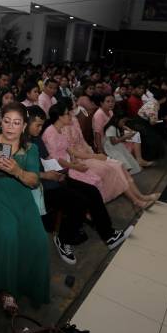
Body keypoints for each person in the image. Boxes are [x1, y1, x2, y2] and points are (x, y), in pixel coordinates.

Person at [26, 106, 133, 262]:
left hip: (54, 177)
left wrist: (58, 169)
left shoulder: (36, 138)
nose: (40, 129)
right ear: (26, 123)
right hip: (40, 186)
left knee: (92, 191)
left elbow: (47, 158)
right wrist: (46, 175)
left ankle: (109, 235)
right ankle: (63, 239)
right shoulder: (21, 143)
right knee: (79, 202)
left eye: (42, 125)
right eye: (38, 125)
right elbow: (21, 173)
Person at [0, 102, 49, 313]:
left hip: (20, 194)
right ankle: (7, 290)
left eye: (16, 123)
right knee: (8, 233)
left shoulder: (30, 148)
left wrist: (17, 171)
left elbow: (33, 181)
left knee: (38, 237)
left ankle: (29, 284)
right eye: (7, 121)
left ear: (24, 126)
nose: (10, 127)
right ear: (1, 122)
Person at [43, 101, 157, 209]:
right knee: (114, 168)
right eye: (68, 113)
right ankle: (137, 201)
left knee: (118, 165)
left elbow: (71, 151)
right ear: (60, 117)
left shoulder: (60, 129)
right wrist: (78, 164)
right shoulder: (51, 132)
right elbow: (57, 159)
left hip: (74, 161)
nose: (71, 115)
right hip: (65, 168)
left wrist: (91, 156)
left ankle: (140, 197)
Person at [93, 95, 151, 171]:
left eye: (113, 101)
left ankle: (139, 159)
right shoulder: (99, 114)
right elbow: (97, 134)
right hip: (105, 141)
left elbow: (116, 123)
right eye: (108, 101)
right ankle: (134, 162)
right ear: (101, 103)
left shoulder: (110, 111)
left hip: (114, 136)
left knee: (136, 134)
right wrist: (100, 150)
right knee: (129, 139)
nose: (111, 103)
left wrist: (127, 128)